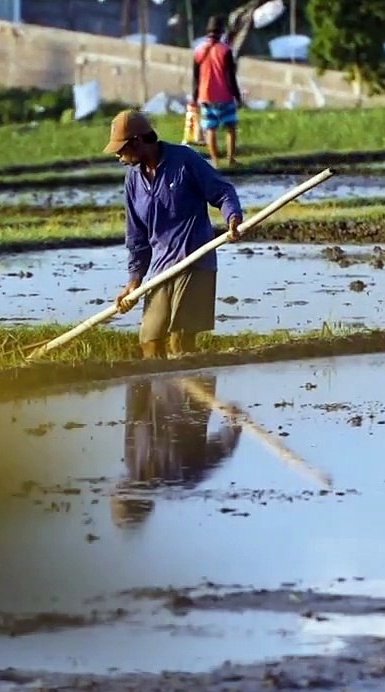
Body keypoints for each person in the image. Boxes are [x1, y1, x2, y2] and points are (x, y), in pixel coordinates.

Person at [102, 109, 243, 360]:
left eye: (121, 149)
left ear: (137, 141)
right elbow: (136, 237)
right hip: (160, 267)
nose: (118, 155)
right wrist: (134, 282)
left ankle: (191, 396)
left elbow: (222, 192)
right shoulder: (133, 180)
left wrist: (232, 218)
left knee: (180, 344)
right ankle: (161, 397)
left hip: (194, 260)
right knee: (150, 341)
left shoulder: (184, 160)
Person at [110, 375, 242, 530]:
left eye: (116, 494)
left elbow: (135, 401)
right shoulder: (183, 477)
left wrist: (139, 372)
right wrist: (234, 423)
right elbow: (221, 449)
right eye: (118, 494)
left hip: (166, 377)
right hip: (195, 385)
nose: (115, 488)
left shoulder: (133, 461)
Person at [192, 15, 244, 167]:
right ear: (221, 32)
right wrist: (238, 96)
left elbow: (195, 77)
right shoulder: (225, 51)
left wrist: (195, 97)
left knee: (210, 128)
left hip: (205, 96)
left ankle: (215, 161)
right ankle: (231, 159)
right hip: (224, 95)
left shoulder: (198, 50)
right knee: (230, 127)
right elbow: (230, 77)